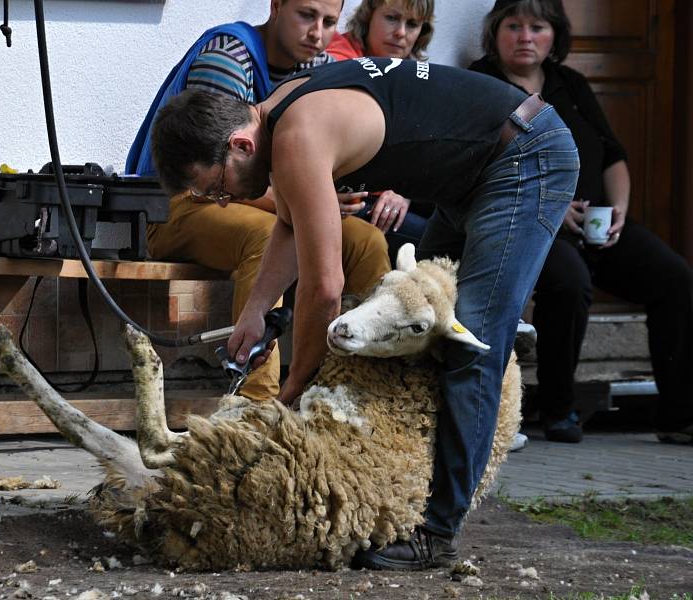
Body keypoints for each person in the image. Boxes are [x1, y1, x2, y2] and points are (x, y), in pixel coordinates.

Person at [151, 57, 579, 568]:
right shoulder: (284, 112)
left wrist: (293, 390)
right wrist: (256, 310)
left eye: (218, 187)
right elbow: (289, 227)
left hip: (525, 157)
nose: (221, 201)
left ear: (240, 144)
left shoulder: (297, 138)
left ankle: (437, 534)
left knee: (470, 342)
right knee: (422, 332)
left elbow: (324, 290)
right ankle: (405, 499)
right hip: (477, 172)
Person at [124, 0, 391, 402]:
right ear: (276, 6)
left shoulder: (316, 70)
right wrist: (313, 201)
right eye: (306, 15)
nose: (317, 32)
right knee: (267, 238)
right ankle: (256, 402)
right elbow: (225, 176)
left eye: (330, 22)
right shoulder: (229, 57)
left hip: (255, 200)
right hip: (180, 204)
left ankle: (368, 391)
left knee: (366, 243)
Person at [469, 0, 693, 444]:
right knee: (569, 283)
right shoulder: (481, 82)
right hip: (531, 223)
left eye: (537, 27)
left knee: (674, 279)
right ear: (496, 33)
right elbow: (475, 163)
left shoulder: (569, 84)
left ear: (555, 35)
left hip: (596, 225)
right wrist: (552, 204)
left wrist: (621, 210)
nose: (525, 36)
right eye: (513, 26)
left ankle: (678, 415)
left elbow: (612, 155)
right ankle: (558, 409)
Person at [327, 0, 436, 262]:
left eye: (412, 24)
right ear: (368, 16)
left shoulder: (414, 74)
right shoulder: (338, 57)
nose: (400, 32)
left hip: (388, 194)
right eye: (392, 18)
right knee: (439, 243)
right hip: (345, 198)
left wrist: (403, 191)